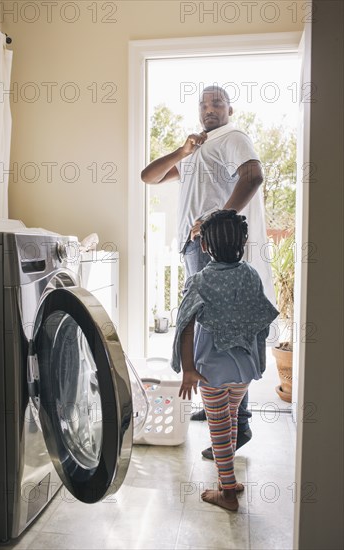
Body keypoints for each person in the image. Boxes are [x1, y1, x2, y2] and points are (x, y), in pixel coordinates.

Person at [141, 85, 276, 459]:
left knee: (222, 327)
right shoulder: (196, 149)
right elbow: (148, 177)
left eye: (217, 102)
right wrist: (181, 151)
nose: (209, 108)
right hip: (193, 245)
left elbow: (253, 176)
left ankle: (240, 423)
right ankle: (216, 401)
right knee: (205, 328)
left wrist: (217, 220)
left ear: (230, 108)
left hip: (214, 245)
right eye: (203, 104)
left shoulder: (232, 137)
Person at [171, 210, 279, 511]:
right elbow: (261, 321)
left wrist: (189, 369)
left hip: (211, 371)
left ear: (204, 247)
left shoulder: (200, 280)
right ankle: (227, 478)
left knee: (218, 426)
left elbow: (185, 326)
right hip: (242, 369)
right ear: (244, 241)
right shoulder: (250, 275)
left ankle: (228, 492)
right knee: (229, 421)